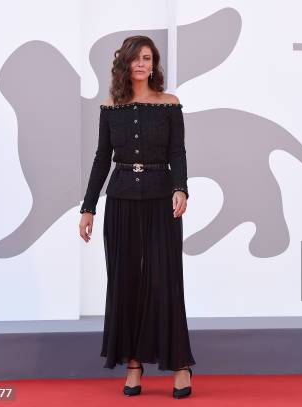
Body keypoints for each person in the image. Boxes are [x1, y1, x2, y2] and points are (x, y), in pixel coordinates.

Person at [78, 35, 195, 399]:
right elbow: (102, 158)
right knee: (125, 280)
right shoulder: (111, 107)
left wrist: (181, 188)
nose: (142, 64)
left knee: (165, 279)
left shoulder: (169, 103)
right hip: (122, 198)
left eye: (147, 58)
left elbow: (178, 151)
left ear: (153, 64)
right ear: (125, 63)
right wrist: (88, 206)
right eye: (136, 58)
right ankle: (133, 364)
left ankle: (180, 365)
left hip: (162, 198)